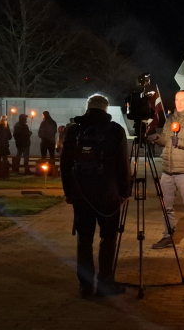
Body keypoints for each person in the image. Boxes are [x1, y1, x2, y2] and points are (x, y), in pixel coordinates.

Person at [60, 94, 130, 299]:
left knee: (84, 240)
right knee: (108, 239)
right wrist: (124, 192)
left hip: (81, 194)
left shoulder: (74, 130)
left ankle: (85, 286)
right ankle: (105, 284)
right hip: (108, 195)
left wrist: (69, 192)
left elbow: (65, 164)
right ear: (106, 109)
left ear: (88, 107)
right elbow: (123, 165)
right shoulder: (116, 130)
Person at [148, 90, 184, 254]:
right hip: (168, 170)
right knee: (166, 206)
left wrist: (179, 141)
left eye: (182, 100)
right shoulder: (170, 120)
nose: (179, 103)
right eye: (176, 100)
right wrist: (154, 138)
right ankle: (168, 236)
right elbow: (167, 141)